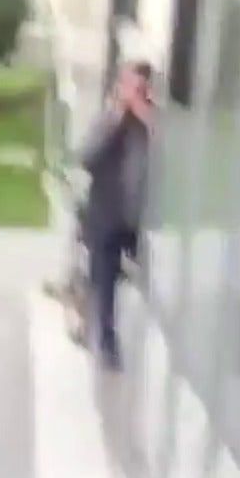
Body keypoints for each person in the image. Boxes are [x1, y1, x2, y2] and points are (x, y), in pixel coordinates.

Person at [79, 60, 156, 371]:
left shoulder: (148, 124)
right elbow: (87, 157)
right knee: (105, 280)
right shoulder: (107, 119)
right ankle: (107, 341)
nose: (133, 95)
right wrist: (116, 118)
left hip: (136, 220)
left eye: (140, 89)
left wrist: (147, 120)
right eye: (129, 87)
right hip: (106, 215)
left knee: (142, 278)